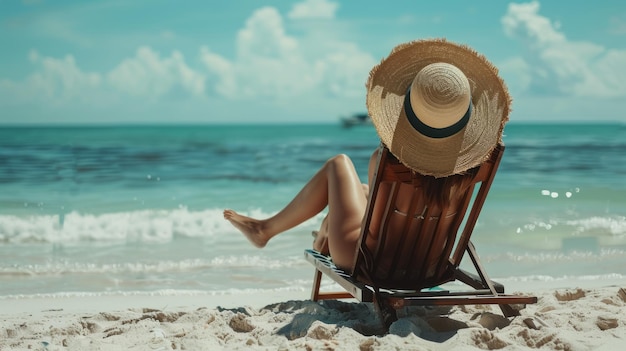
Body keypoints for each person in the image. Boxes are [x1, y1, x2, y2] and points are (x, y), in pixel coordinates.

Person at [224, 39, 511, 272]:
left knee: (339, 165)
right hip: (429, 266)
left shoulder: (386, 161)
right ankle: (315, 232)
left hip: (370, 264)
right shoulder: (473, 167)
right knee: (361, 191)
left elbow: (375, 225)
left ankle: (266, 230)